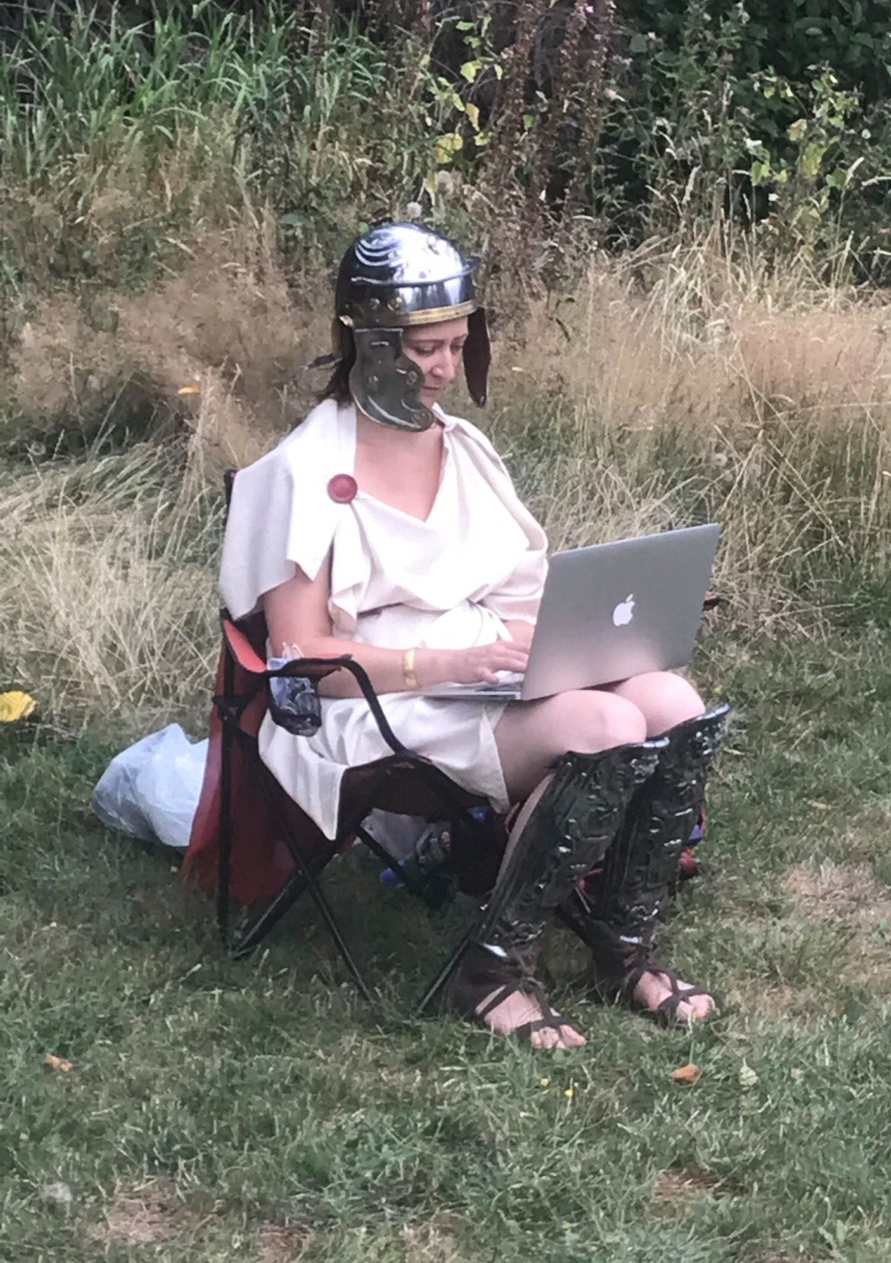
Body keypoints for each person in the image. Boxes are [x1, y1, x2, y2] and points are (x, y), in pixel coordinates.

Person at [219, 221, 728, 1049]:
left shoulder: (465, 450)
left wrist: (578, 640)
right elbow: (302, 663)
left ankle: (621, 944)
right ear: (370, 342)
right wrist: (447, 661)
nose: (444, 370)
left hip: (485, 670)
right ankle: (493, 968)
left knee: (672, 701)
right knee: (604, 726)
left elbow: (516, 589)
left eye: (457, 346)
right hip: (377, 702)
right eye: (426, 350)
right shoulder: (302, 474)